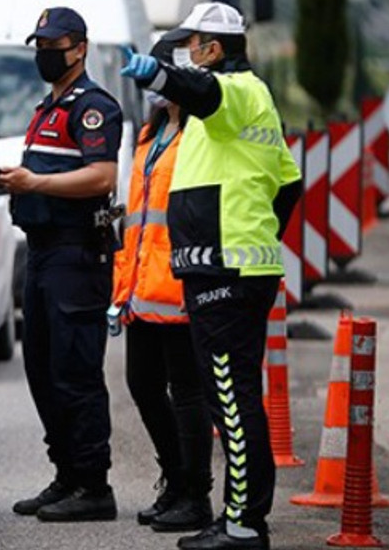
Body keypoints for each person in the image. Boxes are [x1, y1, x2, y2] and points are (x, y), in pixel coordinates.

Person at [119, 2, 302, 550]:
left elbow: (204, 92)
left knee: (231, 395)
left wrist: (157, 73)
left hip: (227, 268)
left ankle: (244, 523)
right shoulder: (236, 114)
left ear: (213, 50)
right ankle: (239, 515)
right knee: (233, 395)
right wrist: (260, 235)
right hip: (231, 264)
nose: (187, 54)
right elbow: (288, 184)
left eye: (192, 45)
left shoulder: (237, 92)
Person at [0, 6, 123, 522]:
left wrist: (33, 183)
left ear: (79, 48)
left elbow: (102, 177)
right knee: (40, 368)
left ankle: (94, 485)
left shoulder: (94, 107)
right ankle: (68, 474)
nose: (45, 53)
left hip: (75, 253)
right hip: (40, 252)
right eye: (38, 44)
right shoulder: (47, 107)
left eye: (53, 44)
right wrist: (8, 181)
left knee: (75, 371)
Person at [112, 36, 213, 535]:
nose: (153, 82)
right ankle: (175, 480)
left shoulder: (201, 133)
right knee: (142, 385)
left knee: (188, 391)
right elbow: (138, 216)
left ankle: (196, 494)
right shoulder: (153, 136)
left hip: (179, 281)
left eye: (159, 71)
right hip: (143, 286)